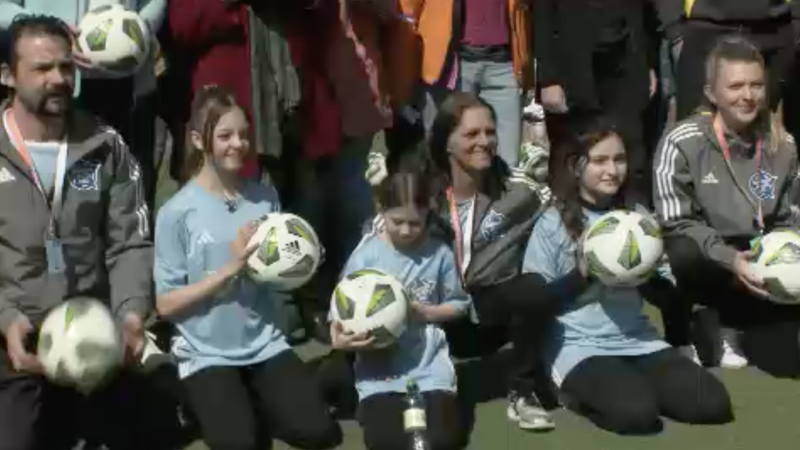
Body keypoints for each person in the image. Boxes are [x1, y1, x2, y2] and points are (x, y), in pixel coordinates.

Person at [0, 15, 161, 450]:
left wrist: (130, 312)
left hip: (94, 330)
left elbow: (130, 240)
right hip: (18, 334)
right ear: (7, 76)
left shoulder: (106, 145)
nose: (58, 79)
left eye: (66, 68)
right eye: (41, 68)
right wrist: (6, 319)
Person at [153, 85, 343, 450]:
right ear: (197, 139)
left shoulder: (264, 198)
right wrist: (232, 267)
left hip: (264, 343)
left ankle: (269, 394)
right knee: (241, 444)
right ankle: (195, 396)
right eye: (225, 135)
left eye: (243, 134)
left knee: (319, 432)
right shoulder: (176, 213)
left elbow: (277, 280)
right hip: (205, 353)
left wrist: (303, 260)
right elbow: (166, 305)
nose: (238, 144)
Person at [524, 113, 734, 435]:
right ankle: (573, 393)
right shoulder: (552, 222)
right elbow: (535, 301)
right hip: (581, 347)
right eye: (600, 160)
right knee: (635, 415)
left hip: (639, 341)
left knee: (713, 405)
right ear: (575, 165)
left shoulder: (637, 218)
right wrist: (583, 275)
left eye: (619, 159)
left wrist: (647, 275)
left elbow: (667, 293)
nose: (612, 170)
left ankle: (636, 384)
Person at [653, 36, 800, 374]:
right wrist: (731, 260)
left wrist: (778, 263)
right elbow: (677, 224)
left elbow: (790, 216)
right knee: (683, 250)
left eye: (756, 85)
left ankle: (741, 328)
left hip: (763, 260)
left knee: (787, 363)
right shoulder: (682, 141)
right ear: (711, 93)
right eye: (735, 86)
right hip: (709, 260)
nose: (748, 96)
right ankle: (702, 318)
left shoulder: (784, 145)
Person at [423, 92, 556, 431]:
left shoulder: (520, 191)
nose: (485, 141)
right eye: (471, 134)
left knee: (532, 289)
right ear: (446, 143)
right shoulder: (419, 192)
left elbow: (565, 212)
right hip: (429, 314)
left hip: (487, 313)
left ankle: (523, 391)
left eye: (490, 132)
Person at [330, 161, 470, 450]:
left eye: (415, 222)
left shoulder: (440, 254)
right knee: (386, 442)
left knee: (444, 441)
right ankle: (368, 405)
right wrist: (341, 335)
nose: (406, 230)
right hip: (378, 370)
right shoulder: (366, 257)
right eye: (398, 222)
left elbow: (459, 305)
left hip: (428, 365)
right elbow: (340, 310)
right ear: (382, 210)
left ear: (428, 212)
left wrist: (426, 312)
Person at [0, 0, 168, 208]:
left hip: (125, 81)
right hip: (48, 81)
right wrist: (48, 28)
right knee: (39, 189)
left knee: (124, 191)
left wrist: (137, 29)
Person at [534, 0, 658, 201]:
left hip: (626, 57)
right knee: (571, 153)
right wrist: (548, 78)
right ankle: (567, 224)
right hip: (572, 62)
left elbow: (644, 11)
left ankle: (631, 222)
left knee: (632, 154)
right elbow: (541, 14)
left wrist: (648, 61)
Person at [397, 0, 533, 167]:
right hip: (452, 62)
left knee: (507, 163)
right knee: (448, 158)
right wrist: (403, 76)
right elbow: (407, 12)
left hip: (505, 63)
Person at [655, 0, 796, 121]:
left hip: (774, 30)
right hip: (704, 30)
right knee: (697, 136)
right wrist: (673, 25)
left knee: (767, 138)